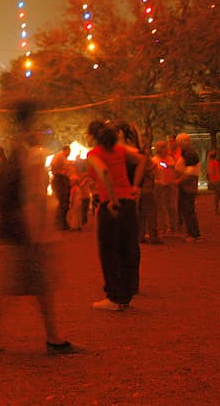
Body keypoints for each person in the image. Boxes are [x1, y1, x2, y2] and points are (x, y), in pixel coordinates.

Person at [0, 100, 74, 355]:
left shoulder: (18, 145)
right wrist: (37, 231)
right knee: (17, 284)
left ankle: (53, 336)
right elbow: (29, 193)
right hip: (26, 229)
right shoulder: (26, 148)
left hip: (23, 227)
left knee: (36, 285)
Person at [86, 119, 139, 311]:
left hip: (112, 206)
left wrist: (112, 199)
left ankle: (114, 297)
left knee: (109, 250)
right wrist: (136, 185)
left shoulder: (94, 154)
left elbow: (104, 171)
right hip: (129, 203)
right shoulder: (121, 151)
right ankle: (126, 293)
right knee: (127, 249)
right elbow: (142, 159)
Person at [175, 134, 202, 242]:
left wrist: (177, 181)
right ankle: (192, 232)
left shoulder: (190, 154)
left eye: (179, 142)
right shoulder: (188, 154)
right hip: (186, 187)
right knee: (187, 210)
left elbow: (191, 173)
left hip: (187, 187)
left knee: (188, 210)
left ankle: (194, 233)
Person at [50, 144, 73, 230]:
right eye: (68, 151)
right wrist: (58, 172)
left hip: (62, 179)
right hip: (60, 180)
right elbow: (53, 165)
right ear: (65, 150)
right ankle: (60, 222)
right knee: (62, 202)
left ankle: (61, 222)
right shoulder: (59, 156)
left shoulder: (63, 157)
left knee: (64, 202)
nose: (69, 153)